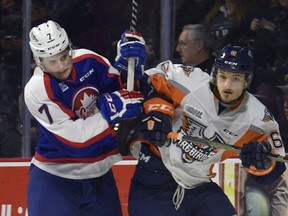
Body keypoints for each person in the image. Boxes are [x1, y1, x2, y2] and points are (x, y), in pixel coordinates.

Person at [127, 44, 287, 215]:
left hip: (198, 187)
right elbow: (145, 83)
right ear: (214, 74)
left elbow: (274, 168)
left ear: (247, 81)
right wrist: (157, 109)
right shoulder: (187, 81)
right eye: (223, 76)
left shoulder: (258, 119)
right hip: (153, 180)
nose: (227, 85)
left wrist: (261, 161)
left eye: (236, 79)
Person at [24, 20, 145, 216]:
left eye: (64, 56)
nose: (62, 65)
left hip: (99, 174)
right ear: (38, 61)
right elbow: (76, 140)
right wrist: (110, 110)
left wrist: (128, 65)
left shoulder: (90, 60)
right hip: (56, 178)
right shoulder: (37, 89)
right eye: (53, 61)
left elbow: (125, 95)